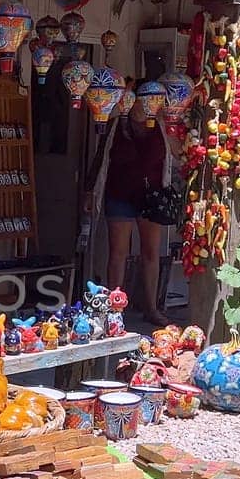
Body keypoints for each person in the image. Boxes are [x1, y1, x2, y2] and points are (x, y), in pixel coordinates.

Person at [100, 94, 170, 326]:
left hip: (151, 197)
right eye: (139, 101)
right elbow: (103, 156)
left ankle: (151, 307)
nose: (143, 106)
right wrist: (91, 190)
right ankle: (114, 309)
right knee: (118, 253)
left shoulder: (160, 124)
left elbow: (173, 155)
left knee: (151, 253)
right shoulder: (117, 124)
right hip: (119, 193)